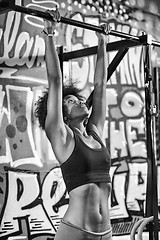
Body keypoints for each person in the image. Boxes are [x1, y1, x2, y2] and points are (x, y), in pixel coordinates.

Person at [35, 8, 112, 240]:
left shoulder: (95, 132)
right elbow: (55, 81)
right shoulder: (62, 136)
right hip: (76, 232)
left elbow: (100, 87)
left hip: (106, 233)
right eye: (70, 101)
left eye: (79, 98)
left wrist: (102, 43)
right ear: (63, 115)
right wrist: (49, 35)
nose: (79, 101)